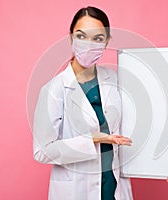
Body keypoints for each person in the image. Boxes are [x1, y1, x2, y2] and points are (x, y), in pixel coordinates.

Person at [33, 6, 133, 200]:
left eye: (98, 38)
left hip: (113, 188)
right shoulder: (54, 89)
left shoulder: (116, 80)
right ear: (71, 38)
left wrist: (165, 167)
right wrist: (93, 140)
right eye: (81, 36)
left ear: (107, 42)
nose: (89, 44)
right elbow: (42, 152)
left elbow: (133, 132)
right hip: (76, 191)